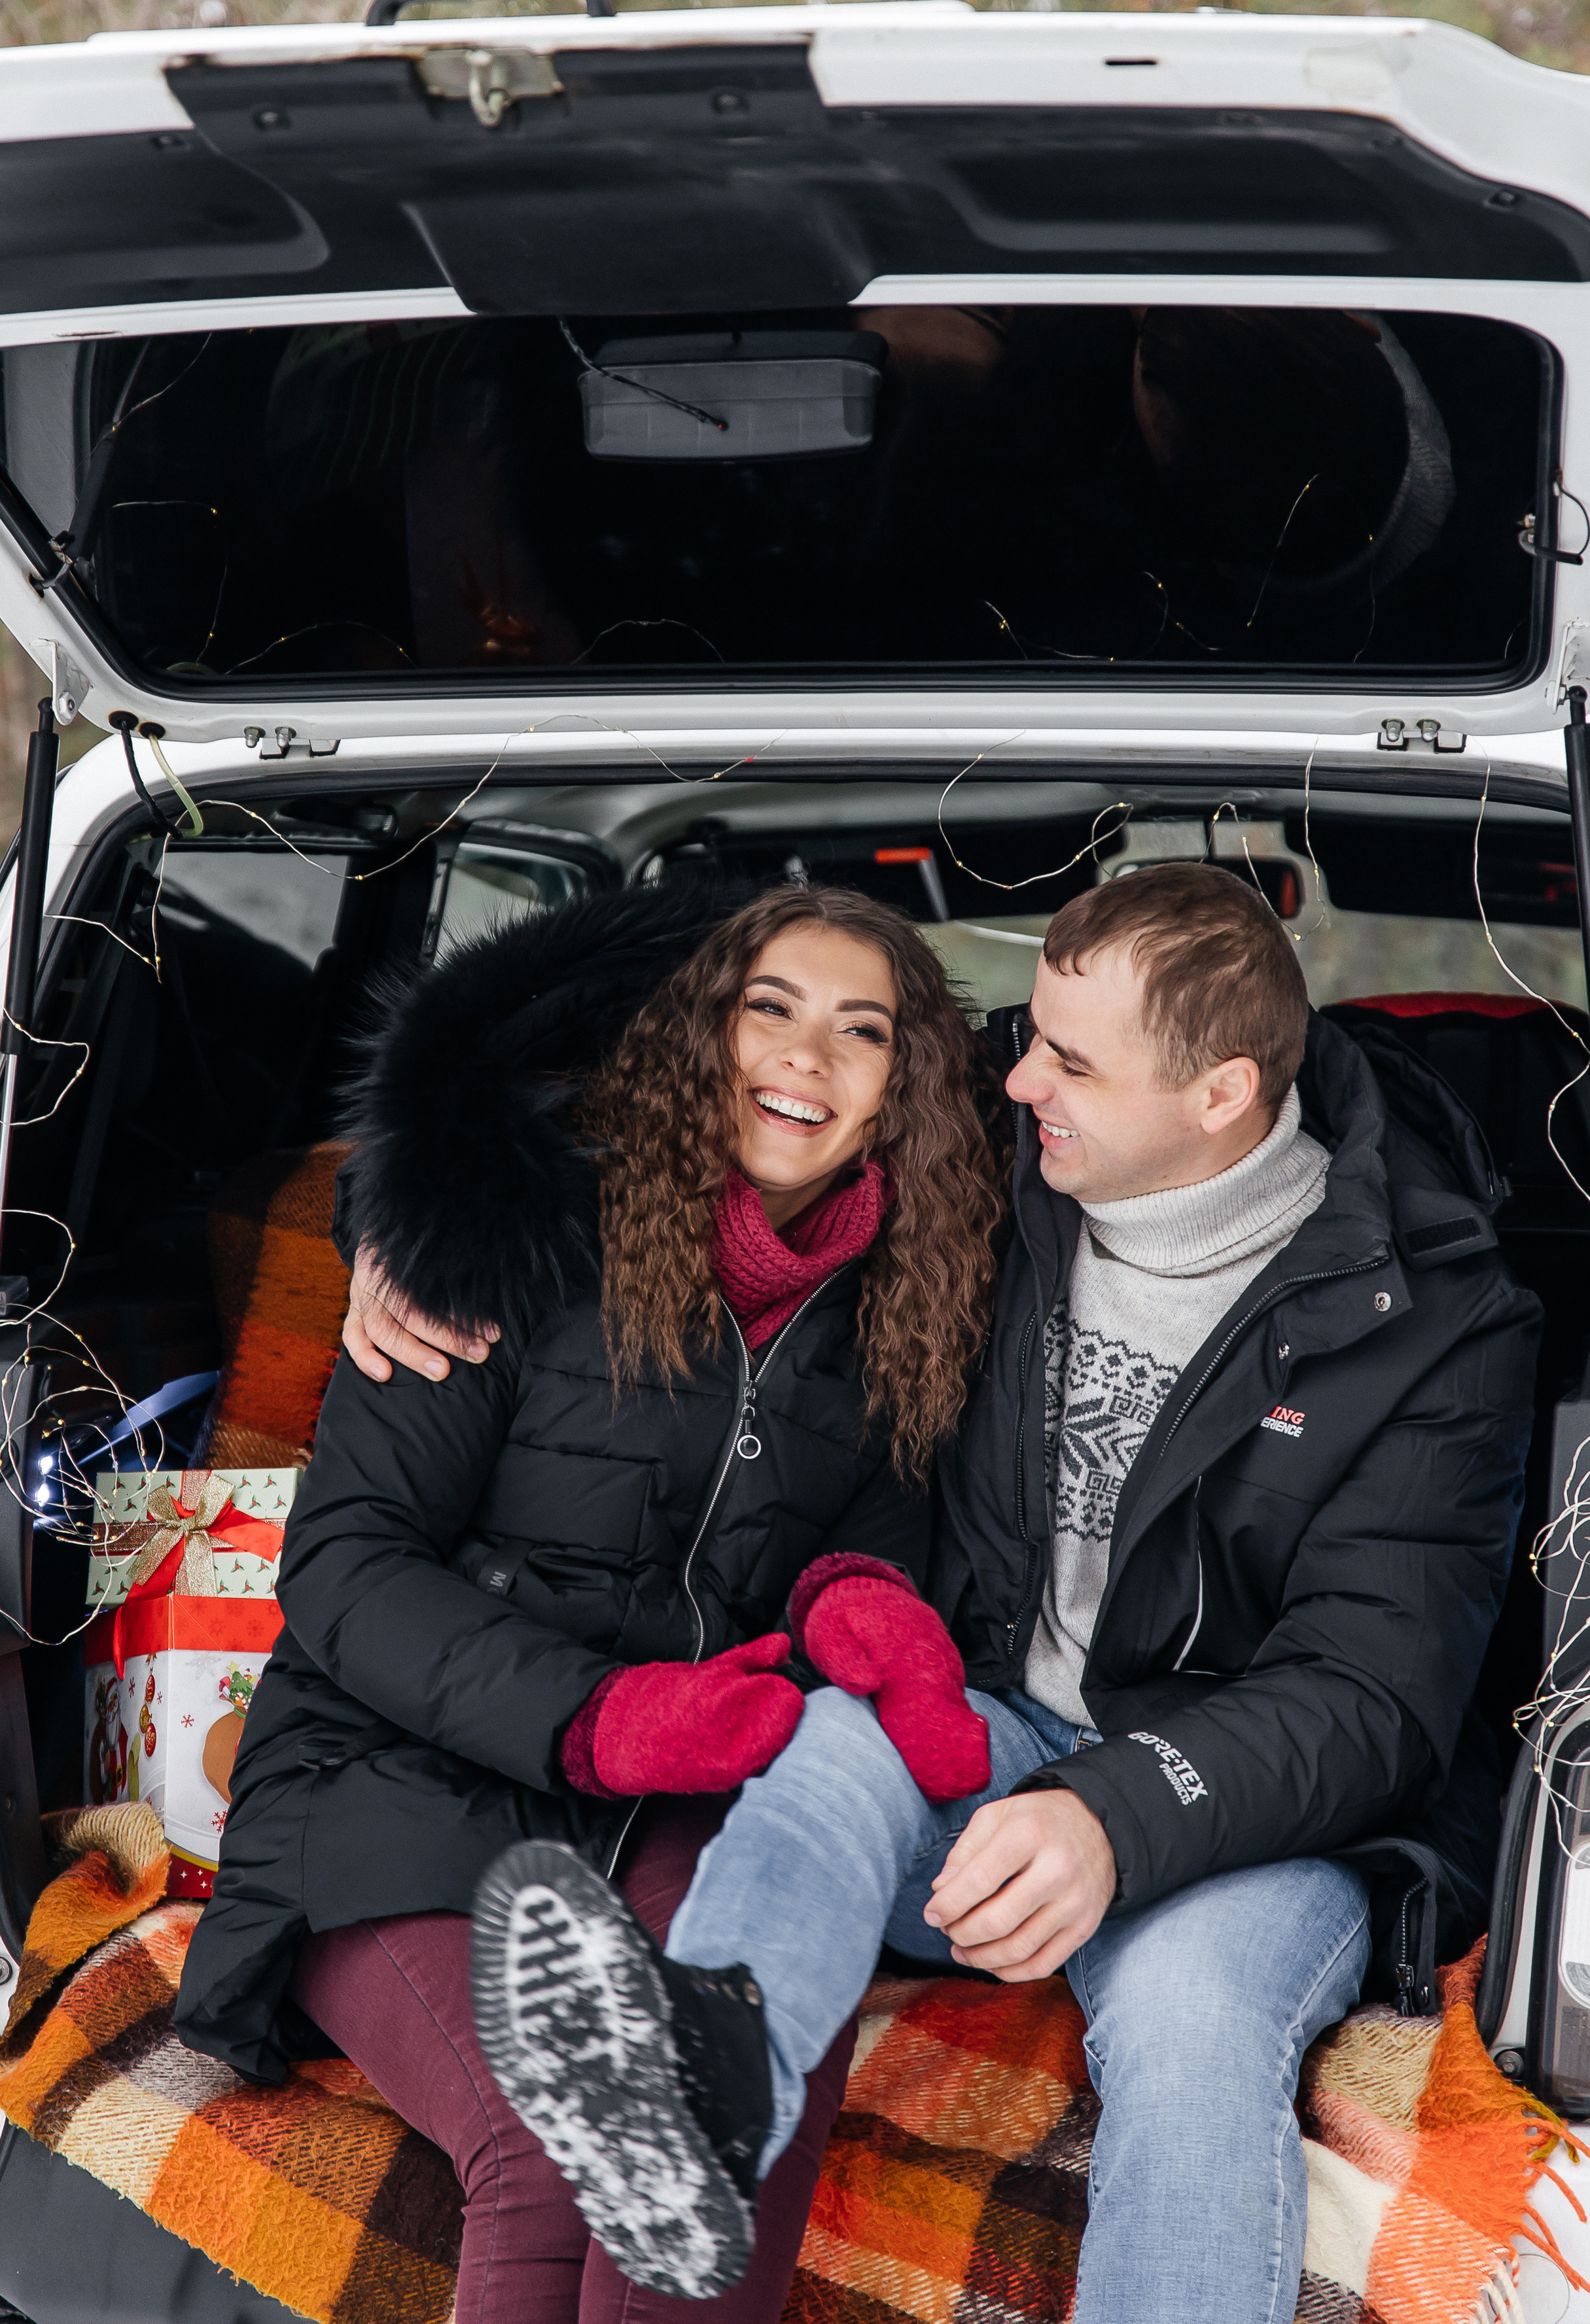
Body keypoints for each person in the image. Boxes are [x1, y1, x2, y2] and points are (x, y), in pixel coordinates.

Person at [375, 862, 1536, 2321]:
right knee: (825, 1743)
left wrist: (1113, 1816)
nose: (1015, 1077)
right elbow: (658, 1070)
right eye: (1027, 1033)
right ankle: (697, 2071)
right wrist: (408, 1222)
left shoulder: (1430, 1321)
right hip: (984, 1725)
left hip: (1256, 1813)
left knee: (1190, 2026)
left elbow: (1374, 1698)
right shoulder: (1004, 1157)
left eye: (1067, 1059)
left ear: (1221, 1093)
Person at [173, 874, 1006, 2324]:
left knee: (734, 2086)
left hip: (683, 1802)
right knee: (556, 2153)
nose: (804, 1058)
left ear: (902, 1092)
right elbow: (348, 1571)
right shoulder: (506, 1228)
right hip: (395, 1791)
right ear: (698, 1032)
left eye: (858, 1031)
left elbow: (859, 1541)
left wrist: (859, 1607)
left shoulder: (902, 1309)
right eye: (769, 1008)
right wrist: (599, 1718)